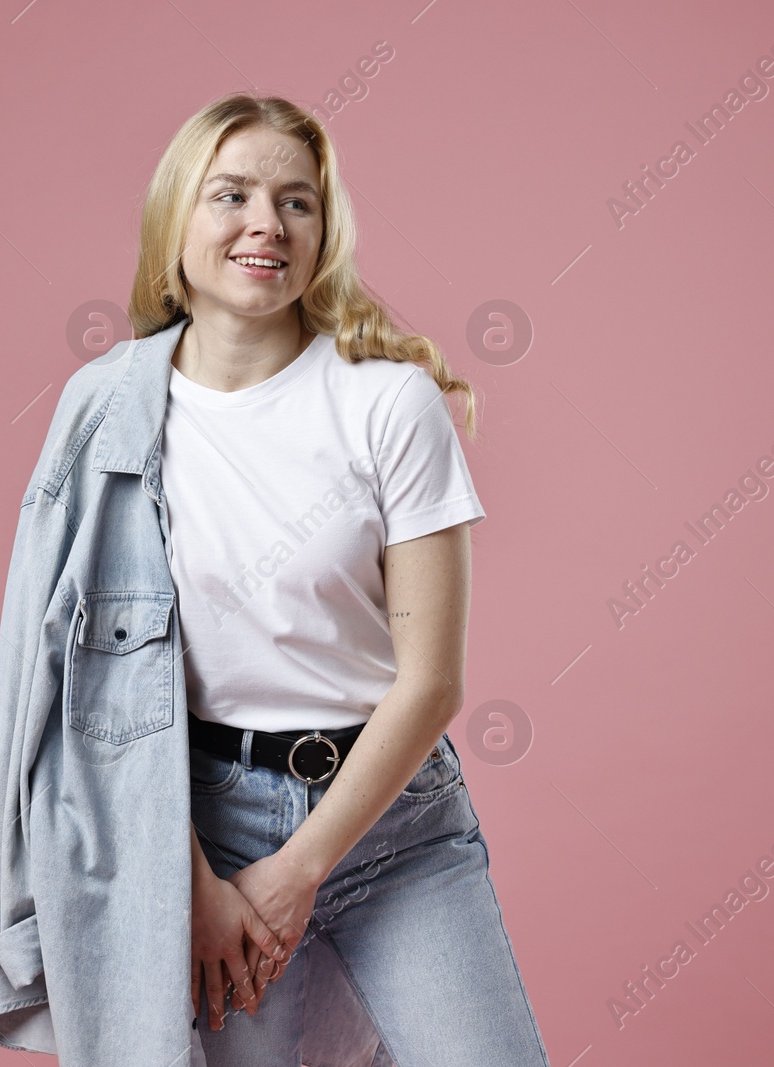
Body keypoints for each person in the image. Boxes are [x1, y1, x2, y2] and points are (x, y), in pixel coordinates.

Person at [131, 91, 553, 1066]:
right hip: (202, 823)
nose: (264, 224)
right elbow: (96, 688)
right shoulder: (115, 419)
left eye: (296, 201)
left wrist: (300, 868)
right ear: (174, 220)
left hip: (392, 818)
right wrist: (192, 877)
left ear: (324, 230)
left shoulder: (387, 401)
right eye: (229, 194)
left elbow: (431, 678)